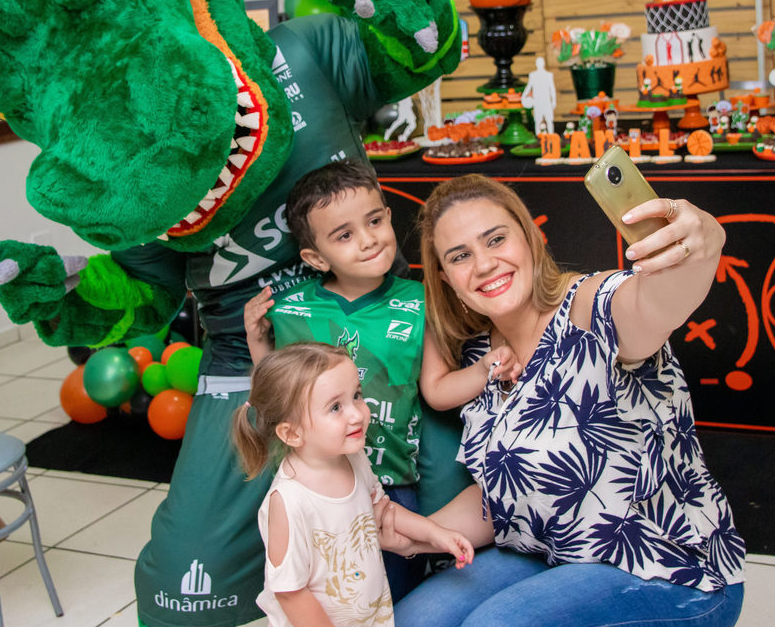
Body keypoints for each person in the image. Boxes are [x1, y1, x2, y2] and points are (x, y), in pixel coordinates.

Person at [379, 174, 745, 627]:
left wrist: (700, 247)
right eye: (460, 256)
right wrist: (417, 534)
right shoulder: (480, 357)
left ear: (530, 238)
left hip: (669, 569)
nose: (484, 264)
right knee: (411, 622)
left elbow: (658, 302)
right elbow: (506, 496)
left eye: (496, 239)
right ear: (446, 278)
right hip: (555, 555)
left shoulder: (590, 307)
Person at [242, 159, 519, 599]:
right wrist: (258, 345)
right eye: (344, 235)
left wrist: (486, 369)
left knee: (394, 600)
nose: (368, 239)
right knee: (315, 592)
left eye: (374, 221)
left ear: (389, 217)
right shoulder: (290, 309)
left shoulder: (421, 301)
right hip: (311, 485)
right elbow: (277, 398)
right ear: (315, 257)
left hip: (389, 488)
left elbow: (437, 391)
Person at [230, 341, 474, 627]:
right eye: (335, 407)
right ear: (292, 433)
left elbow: (383, 511)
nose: (358, 414)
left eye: (357, 395)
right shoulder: (289, 501)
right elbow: (291, 593)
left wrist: (436, 534)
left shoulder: (354, 458)